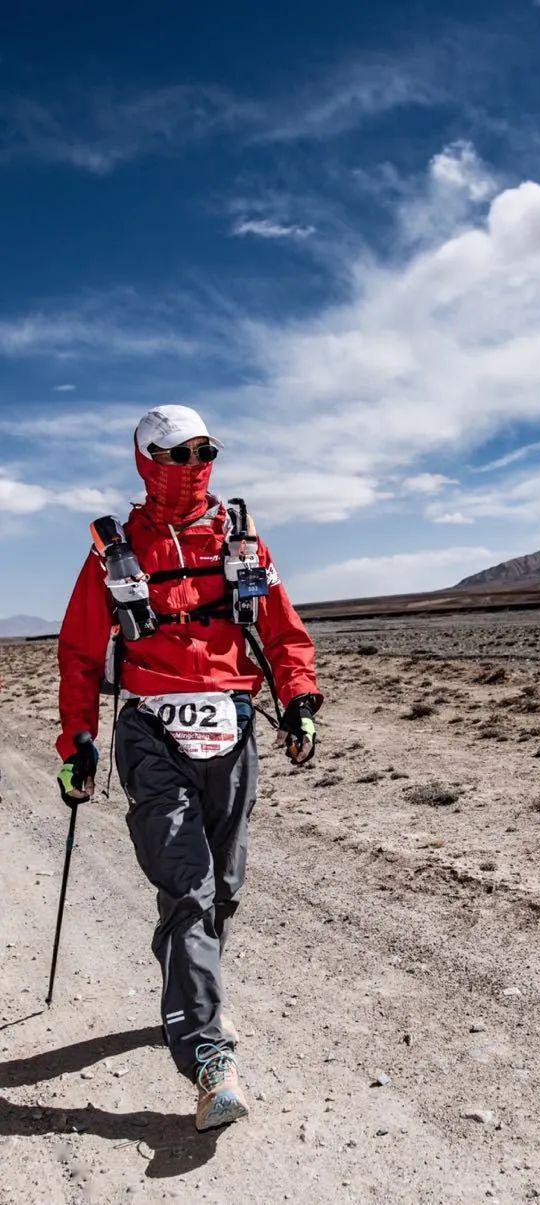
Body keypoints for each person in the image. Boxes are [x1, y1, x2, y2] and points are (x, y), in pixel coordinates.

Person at [55, 405, 322, 1132]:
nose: (194, 462)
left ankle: (188, 987)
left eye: (204, 449)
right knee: (187, 886)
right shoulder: (113, 552)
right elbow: (80, 654)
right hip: (151, 732)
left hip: (231, 727)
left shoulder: (241, 543)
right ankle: (209, 1057)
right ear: (147, 459)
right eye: (178, 452)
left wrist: (298, 700)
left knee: (222, 887)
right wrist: (76, 740)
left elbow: (283, 631)